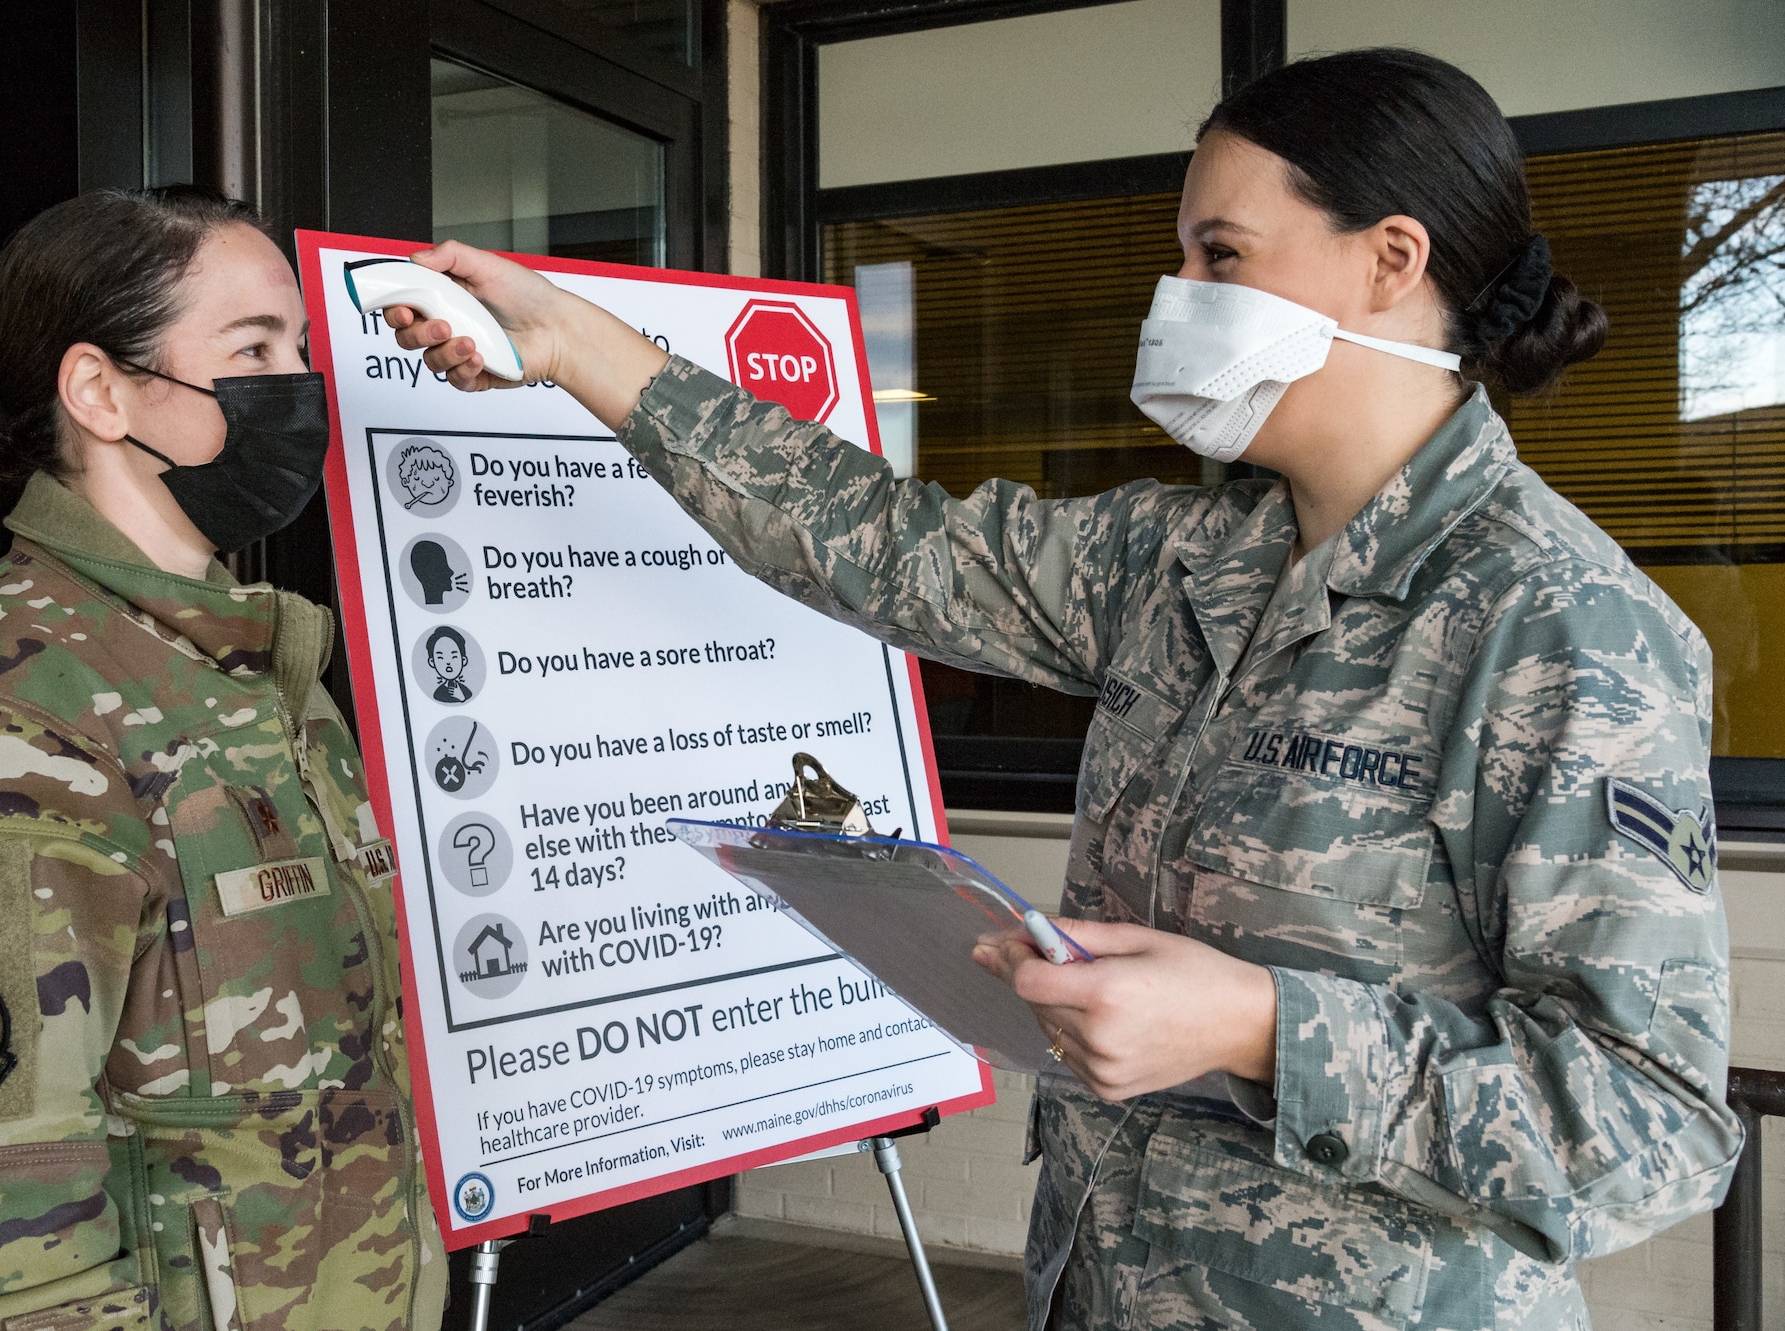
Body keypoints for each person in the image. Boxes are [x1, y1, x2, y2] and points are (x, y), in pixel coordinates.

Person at [391, 48, 1738, 1331]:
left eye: (1223, 254)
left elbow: (1650, 1126)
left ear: (1391, 259)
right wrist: (582, 347)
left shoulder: (1560, 626)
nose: (1181, 292)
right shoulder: (1184, 558)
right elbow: (881, 542)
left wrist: (1267, 1027)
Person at [0, 186, 447, 1330]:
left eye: (296, 346)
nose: (298, 386)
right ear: (99, 391)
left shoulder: (251, 666)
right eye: (253, 348)